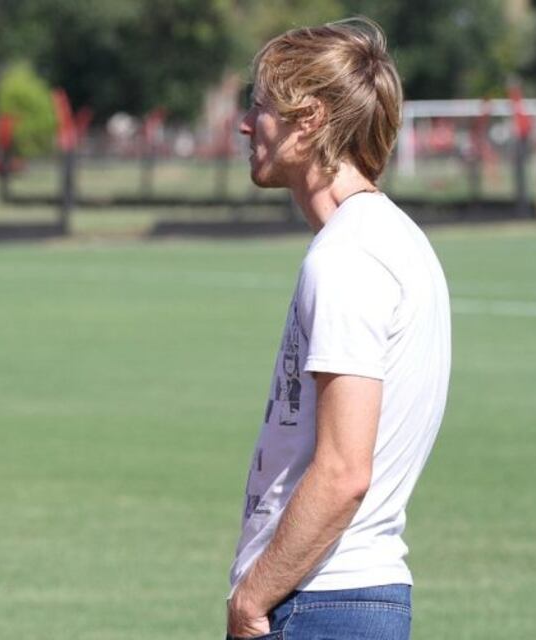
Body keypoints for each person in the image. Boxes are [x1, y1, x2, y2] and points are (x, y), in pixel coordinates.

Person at [226, 18, 451, 640]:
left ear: (310, 119)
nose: (248, 125)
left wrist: (253, 599)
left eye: (262, 107)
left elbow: (345, 470)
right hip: (350, 600)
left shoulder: (348, 256)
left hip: (321, 602)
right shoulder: (396, 240)